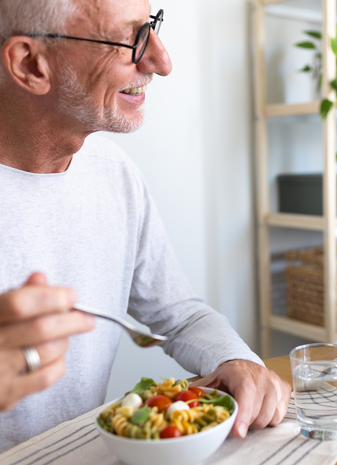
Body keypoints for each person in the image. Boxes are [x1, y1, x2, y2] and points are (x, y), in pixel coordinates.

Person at [0, 0, 290, 452]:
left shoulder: (113, 171)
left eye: (151, 27)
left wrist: (234, 358)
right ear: (30, 63)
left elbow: (180, 315)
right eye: (128, 37)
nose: (161, 60)